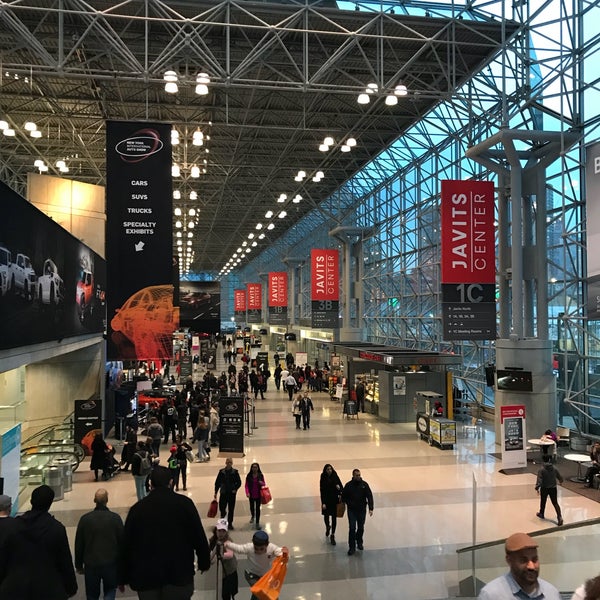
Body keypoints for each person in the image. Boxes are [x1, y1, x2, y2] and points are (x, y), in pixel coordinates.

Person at [120, 466, 211, 599]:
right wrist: (204, 562)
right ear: (171, 482)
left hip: (147, 579)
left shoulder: (138, 509)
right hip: (179, 575)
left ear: (151, 484)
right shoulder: (184, 504)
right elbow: (198, 536)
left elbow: (127, 544)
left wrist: (123, 576)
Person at [0, 484, 78, 599]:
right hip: (48, 588)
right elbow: (64, 560)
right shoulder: (56, 529)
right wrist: (71, 587)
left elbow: (4, 556)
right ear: (50, 503)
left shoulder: (14, 526)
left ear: (31, 501)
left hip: (16, 588)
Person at [477, 532, 561, 599]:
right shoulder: (491, 595)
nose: (531, 566)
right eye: (523, 560)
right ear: (509, 560)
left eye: (534, 560)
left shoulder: (552, 594)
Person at [74, 488, 124, 600]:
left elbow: (79, 543)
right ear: (107, 500)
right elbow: (122, 543)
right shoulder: (115, 519)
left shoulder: (85, 519)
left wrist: (78, 564)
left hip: (91, 564)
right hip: (111, 563)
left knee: (92, 594)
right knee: (110, 590)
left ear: (94, 500)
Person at [225, 530, 288, 600]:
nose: (259, 551)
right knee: (260, 591)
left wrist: (284, 554)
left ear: (267, 545)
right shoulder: (249, 548)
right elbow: (239, 549)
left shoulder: (272, 548)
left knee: (260, 593)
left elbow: (280, 553)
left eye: (262, 549)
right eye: (256, 548)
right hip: (251, 575)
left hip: (266, 576)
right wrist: (227, 544)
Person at [341, 468, 374, 555]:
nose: (358, 477)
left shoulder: (364, 485)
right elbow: (343, 496)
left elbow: (369, 496)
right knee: (352, 528)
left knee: (361, 528)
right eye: (357, 475)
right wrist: (346, 503)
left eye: (359, 475)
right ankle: (351, 547)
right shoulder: (348, 485)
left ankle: (359, 542)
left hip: (362, 510)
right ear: (353, 476)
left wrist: (371, 508)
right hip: (352, 510)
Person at [209, 518, 239, 600]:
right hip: (221, 572)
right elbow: (212, 553)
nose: (221, 533)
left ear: (226, 532)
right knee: (222, 592)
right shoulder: (214, 540)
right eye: (219, 531)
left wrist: (220, 555)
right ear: (216, 531)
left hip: (230, 571)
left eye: (223, 531)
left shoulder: (228, 541)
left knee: (227, 593)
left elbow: (230, 554)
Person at [214, 457, 243, 530]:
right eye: (228, 462)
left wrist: (235, 489)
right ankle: (223, 521)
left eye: (230, 462)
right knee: (222, 508)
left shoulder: (235, 472)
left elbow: (239, 482)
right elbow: (217, 483)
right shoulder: (221, 472)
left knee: (231, 509)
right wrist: (215, 492)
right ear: (225, 463)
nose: (229, 464)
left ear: (232, 463)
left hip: (231, 493)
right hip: (223, 492)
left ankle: (230, 523)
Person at [535, 455, 564, 526]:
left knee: (543, 501)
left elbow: (539, 480)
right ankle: (559, 517)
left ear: (543, 460)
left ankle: (541, 513)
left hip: (544, 488)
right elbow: (559, 476)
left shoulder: (541, 469)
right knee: (555, 503)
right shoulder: (554, 468)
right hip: (553, 488)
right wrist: (561, 481)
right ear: (549, 460)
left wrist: (537, 487)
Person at [320, 464, 343, 545]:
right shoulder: (323, 477)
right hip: (326, 500)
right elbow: (322, 490)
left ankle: (333, 534)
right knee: (326, 516)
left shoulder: (335, 475)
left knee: (334, 518)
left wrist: (338, 488)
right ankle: (327, 527)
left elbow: (341, 487)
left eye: (330, 469)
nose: (329, 470)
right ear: (325, 470)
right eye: (328, 469)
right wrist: (323, 503)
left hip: (334, 500)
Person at [245, 462, 266, 530]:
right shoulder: (249, 476)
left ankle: (257, 522)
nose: (254, 468)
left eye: (256, 467)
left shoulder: (260, 475)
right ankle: (252, 516)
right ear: (251, 468)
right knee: (251, 507)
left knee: (257, 509)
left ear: (258, 468)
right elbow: (246, 485)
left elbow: (264, 484)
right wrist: (247, 493)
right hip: (251, 495)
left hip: (258, 495)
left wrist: (261, 483)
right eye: (253, 467)